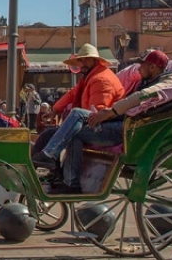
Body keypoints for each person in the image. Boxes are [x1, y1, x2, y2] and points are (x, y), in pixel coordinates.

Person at [31, 43, 125, 194]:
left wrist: (72, 122)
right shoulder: (88, 79)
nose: (82, 64)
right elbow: (72, 94)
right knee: (50, 133)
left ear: (95, 61)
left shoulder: (102, 79)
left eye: (86, 60)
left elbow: (98, 112)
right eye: (81, 61)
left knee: (75, 117)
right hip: (97, 123)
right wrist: (55, 110)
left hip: (107, 126)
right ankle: (58, 175)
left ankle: (50, 157)